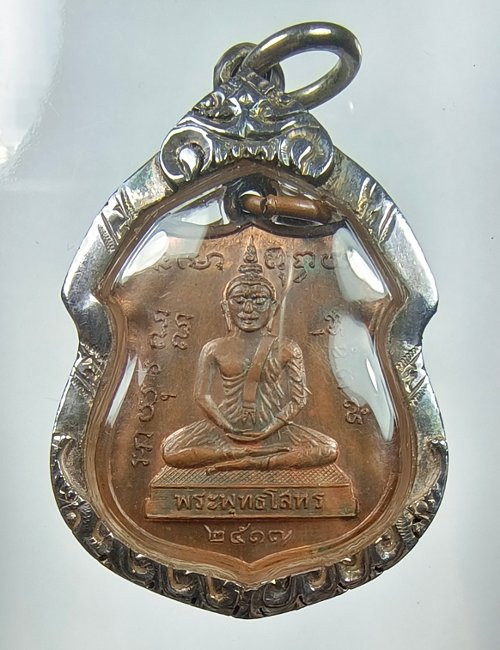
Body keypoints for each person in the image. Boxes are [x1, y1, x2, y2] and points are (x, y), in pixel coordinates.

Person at [161, 238, 339, 474]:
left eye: (258, 301)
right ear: (226, 307)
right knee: (170, 451)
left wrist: (270, 429)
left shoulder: (288, 348)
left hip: (275, 427)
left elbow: (298, 399)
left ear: (273, 307)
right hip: (226, 427)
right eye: (239, 301)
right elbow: (202, 396)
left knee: (329, 449)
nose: (248, 310)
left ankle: (256, 462)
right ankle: (238, 454)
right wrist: (226, 426)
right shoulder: (213, 348)